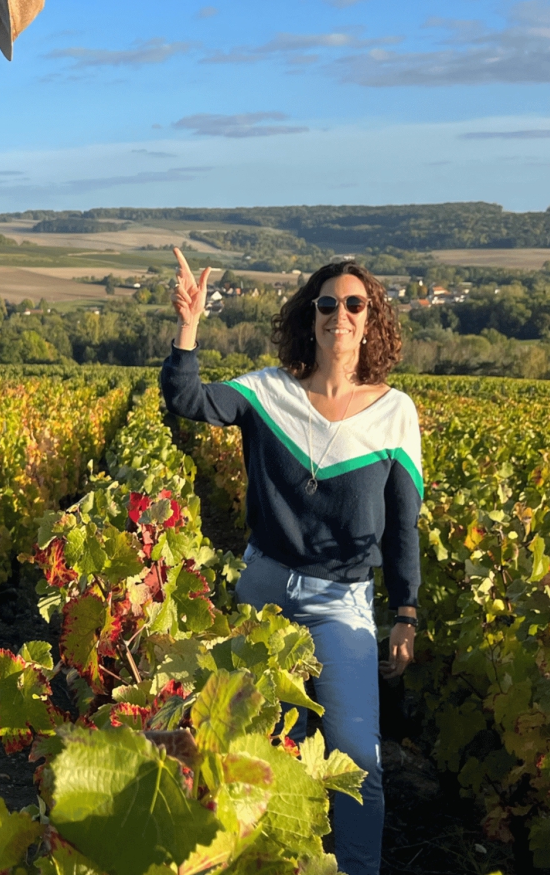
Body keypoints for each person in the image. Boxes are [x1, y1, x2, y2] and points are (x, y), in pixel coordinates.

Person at [160, 248, 420, 875]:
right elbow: (187, 398)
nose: (341, 314)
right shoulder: (267, 391)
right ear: (311, 316)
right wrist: (189, 326)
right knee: (266, 753)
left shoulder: (394, 413)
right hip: (265, 593)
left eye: (355, 304)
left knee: (356, 763)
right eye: (328, 304)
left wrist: (406, 609)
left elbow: (403, 526)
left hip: (342, 605)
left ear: (371, 319)